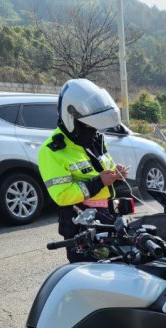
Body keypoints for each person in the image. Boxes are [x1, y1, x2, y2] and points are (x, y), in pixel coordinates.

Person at [38, 79, 130, 263]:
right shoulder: (53, 151)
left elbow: (102, 170)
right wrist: (100, 181)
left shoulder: (93, 140)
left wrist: (116, 174)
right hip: (82, 228)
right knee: (92, 279)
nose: (94, 130)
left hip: (109, 218)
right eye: (89, 125)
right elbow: (62, 195)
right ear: (72, 119)